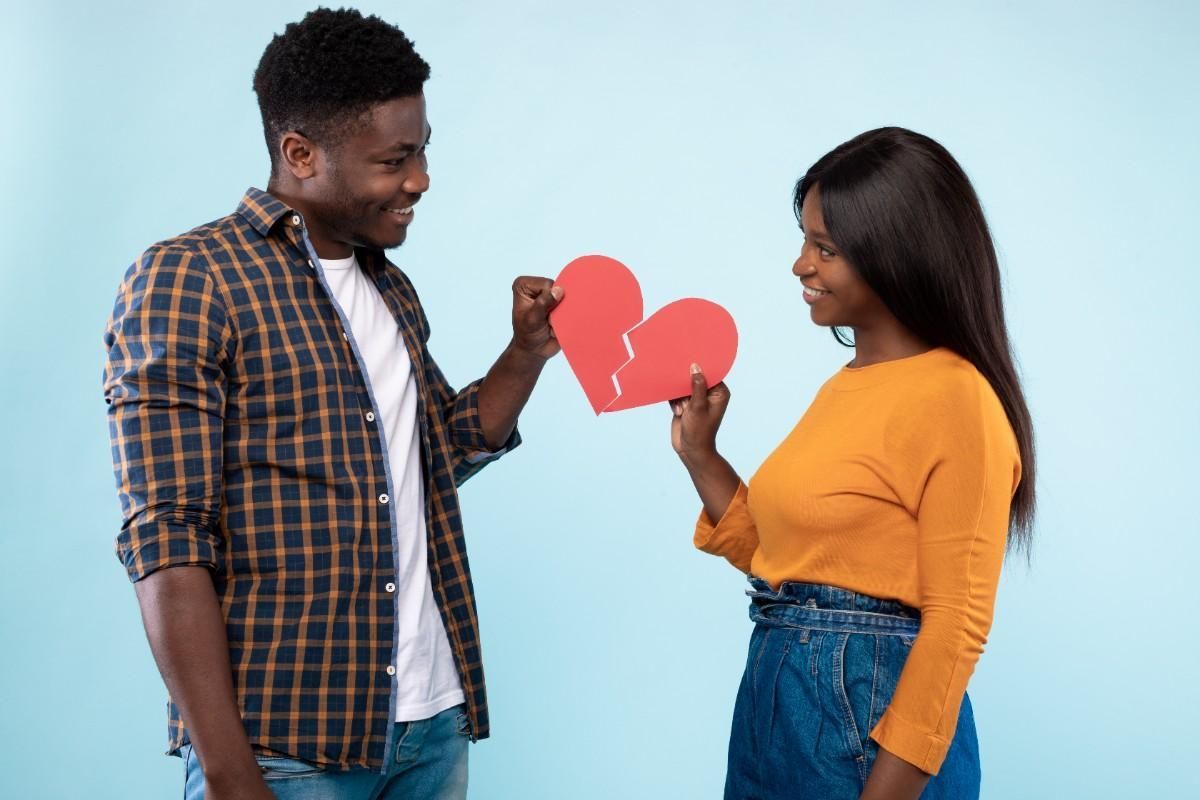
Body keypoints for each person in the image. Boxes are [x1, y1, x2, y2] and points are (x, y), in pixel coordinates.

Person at [102, 9, 562, 799]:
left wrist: (524, 352)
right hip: (287, 748)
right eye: (394, 159)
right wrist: (228, 771)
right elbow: (167, 536)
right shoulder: (191, 279)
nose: (420, 179)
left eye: (423, 150)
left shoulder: (387, 285)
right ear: (300, 154)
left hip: (432, 728)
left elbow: (436, 454)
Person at [670, 127, 1035, 800]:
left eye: (825, 249)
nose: (800, 265)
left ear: (895, 254)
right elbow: (784, 562)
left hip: (865, 726)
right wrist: (700, 454)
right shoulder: (844, 388)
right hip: (776, 705)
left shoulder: (958, 400)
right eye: (805, 240)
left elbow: (955, 626)